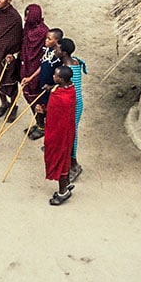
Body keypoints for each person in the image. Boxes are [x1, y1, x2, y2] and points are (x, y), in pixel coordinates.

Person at [43, 66, 79, 206]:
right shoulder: (69, 89)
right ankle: (67, 184)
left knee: (59, 161)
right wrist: (51, 88)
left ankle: (63, 192)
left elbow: (54, 114)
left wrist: (43, 110)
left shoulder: (60, 98)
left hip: (59, 134)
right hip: (67, 131)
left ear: (62, 79)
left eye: (56, 76)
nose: (53, 77)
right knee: (65, 158)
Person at [22, 28, 64, 140]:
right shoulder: (48, 50)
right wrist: (30, 78)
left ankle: (45, 129)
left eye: (49, 39)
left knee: (48, 109)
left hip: (50, 88)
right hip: (42, 84)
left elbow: (63, 80)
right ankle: (40, 125)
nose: (45, 40)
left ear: (57, 41)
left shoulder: (60, 57)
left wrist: (52, 87)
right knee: (40, 105)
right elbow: (43, 66)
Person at [58, 37, 88, 180]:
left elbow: (70, 92)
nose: (54, 50)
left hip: (73, 105)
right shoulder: (73, 61)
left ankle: (74, 164)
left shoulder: (68, 70)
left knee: (71, 135)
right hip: (73, 103)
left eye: (56, 48)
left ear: (63, 53)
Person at [19, 4, 49, 127]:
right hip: (26, 66)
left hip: (36, 69)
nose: (25, 19)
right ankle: (38, 122)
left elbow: (46, 52)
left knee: (37, 99)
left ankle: (42, 125)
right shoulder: (28, 28)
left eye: (28, 15)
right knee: (29, 97)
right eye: (25, 15)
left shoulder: (44, 32)